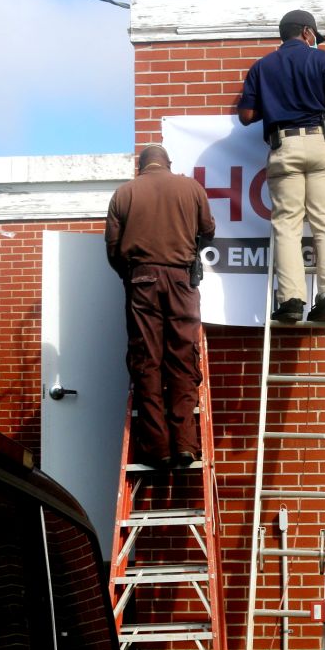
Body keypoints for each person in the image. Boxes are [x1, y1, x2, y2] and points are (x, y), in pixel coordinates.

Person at [237, 9, 325, 323]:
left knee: (287, 225)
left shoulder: (261, 67)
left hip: (283, 146)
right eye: (315, 37)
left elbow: (246, 116)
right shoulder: (321, 59)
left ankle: (291, 301)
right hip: (320, 143)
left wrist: (275, 104)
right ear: (307, 33)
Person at [105, 144, 216, 469]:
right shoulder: (190, 187)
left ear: (140, 166)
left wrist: (132, 276)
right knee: (182, 358)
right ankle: (184, 444)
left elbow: (113, 248)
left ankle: (158, 448)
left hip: (142, 281)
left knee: (146, 360)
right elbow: (208, 230)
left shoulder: (123, 194)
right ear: (168, 163)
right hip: (182, 281)